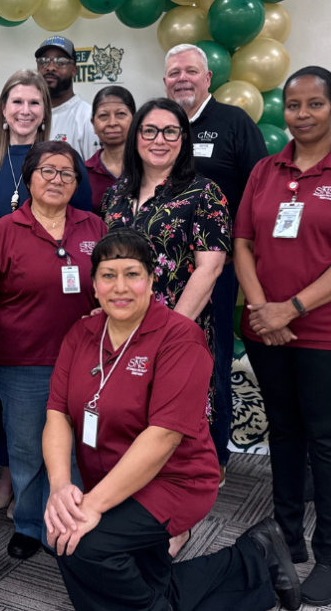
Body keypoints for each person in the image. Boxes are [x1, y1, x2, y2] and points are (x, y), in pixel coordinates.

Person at [45, 229, 300, 611]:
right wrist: (61, 485)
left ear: (150, 281)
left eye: (132, 274)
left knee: (83, 546)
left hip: (176, 480)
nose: (121, 286)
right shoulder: (82, 333)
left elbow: (163, 437)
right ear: (94, 286)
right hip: (113, 475)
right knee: (143, 579)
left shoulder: (180, 338)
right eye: (108, 275)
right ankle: (254, 557)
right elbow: (58, 415)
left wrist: (91, 506)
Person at [233, 66, 331, 606]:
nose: (301, 115)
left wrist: (291, 309)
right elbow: (244, 242)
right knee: (284, 431)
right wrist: (261, 308)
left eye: (313, 105)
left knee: (326, 442)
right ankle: (286, 538)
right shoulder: (264, 171)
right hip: (268, 329)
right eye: (293, 105)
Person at [0, 140, 107, 560]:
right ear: (29, 178)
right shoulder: (6, 228)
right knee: (26, 449)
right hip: (22, 361)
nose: (57, 179)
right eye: (48, 171)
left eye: (66, 173)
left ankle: (66, 524)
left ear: (76, 182)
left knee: (78, 448)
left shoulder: (93, 228)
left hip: (85, 362)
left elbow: (111, 285)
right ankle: (28, 522)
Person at [102, 98, 230, 558]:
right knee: (131, 420)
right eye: (150, 131)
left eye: (170, 132)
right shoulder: (116, 195)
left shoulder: (203, 193)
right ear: (135, 137)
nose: (159, 140)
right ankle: (133, 505)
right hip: (118, 332)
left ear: (184, 139)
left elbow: (209, 268)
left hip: (178, 331)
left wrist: (169, 331)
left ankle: (176, 523)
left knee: (172, 426)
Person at [164, 44, 269, 486]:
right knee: (161, 360)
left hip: (215, 268)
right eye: (174, 73)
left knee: (210, 361)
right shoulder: (157, 125)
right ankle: (165, 453)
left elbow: (260, 194)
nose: (182, 78)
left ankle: (214, 456)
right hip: (160, 268)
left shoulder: (234, 124)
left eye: (191, 71)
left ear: (209, 78)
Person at [0, 69, 93, 223]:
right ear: (3, 109)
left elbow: (84, 226)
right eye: (17, 102)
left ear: (45, 112)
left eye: (34, 103)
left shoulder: (67, 161)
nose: (25, 111)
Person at [36, 36, 100, 160]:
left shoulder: (87, 118)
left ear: (74, 70)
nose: (50, 67)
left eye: (61, 61)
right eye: (44, 61)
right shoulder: (28, 115)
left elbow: (94, 176)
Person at [86, 86, 135, 215]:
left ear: (135, 120)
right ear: (93, 124)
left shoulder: (150, 168)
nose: (112, 123)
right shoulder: (83, 174)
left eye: (120, 114)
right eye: (103, 115)